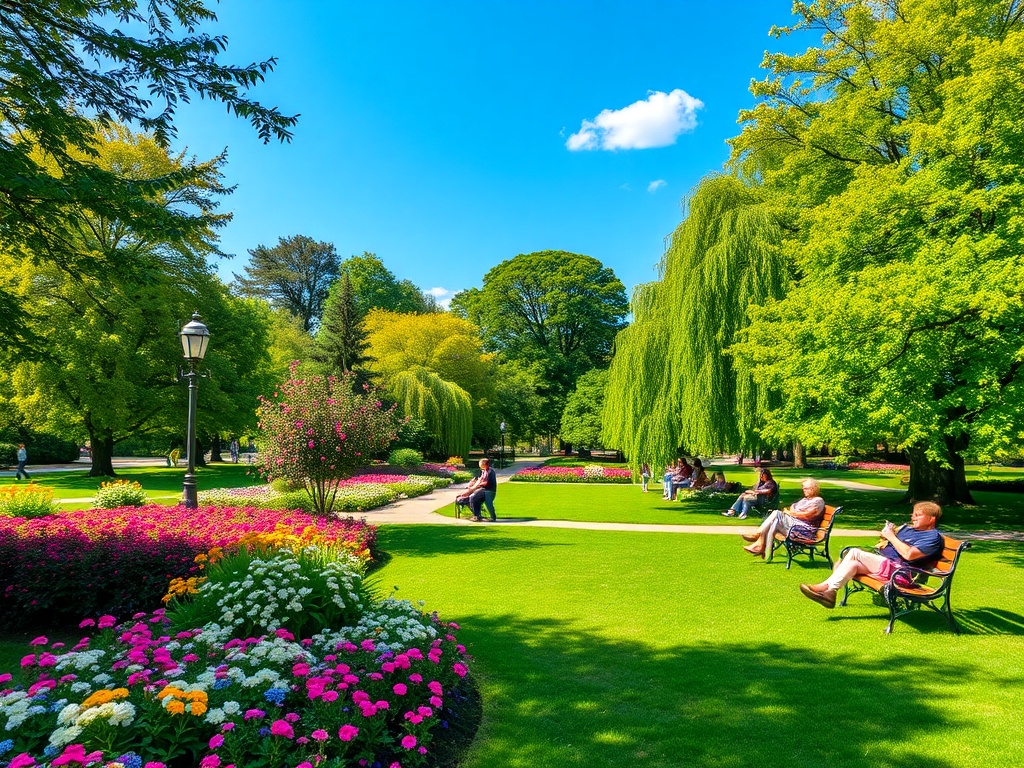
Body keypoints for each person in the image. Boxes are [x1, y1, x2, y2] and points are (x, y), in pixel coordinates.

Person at [800, 501, 944, 609]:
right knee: (852, 563)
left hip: (900, 572)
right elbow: (891, 545)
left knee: (854, 553)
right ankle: (830, 593)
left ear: (931, 519)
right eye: (913, 514)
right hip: (885, 564)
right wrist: (886, 536)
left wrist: (892, 537)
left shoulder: (932, 537)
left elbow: (909, 555)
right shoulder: (909, 529)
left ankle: (825, 587)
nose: (913, 518)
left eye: (918, 515)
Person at [739, 478, 825, 559]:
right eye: (803, 488)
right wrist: (792, 512)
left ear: (813, 489)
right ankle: (761, 546)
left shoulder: (818, 501)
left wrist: (791, 513)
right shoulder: (805, 500)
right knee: (774, 522)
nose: (803, 490)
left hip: (804, 530)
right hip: (795, 525)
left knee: (776, 513)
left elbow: (808, 515)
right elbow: (793, 506)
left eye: (806, 488)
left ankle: (758, 535)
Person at [468, 458, 498, 522]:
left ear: (484, 463)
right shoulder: (485, 471)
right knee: (474, 498)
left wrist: (476, 487)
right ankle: (477, 515)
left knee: (488, 503)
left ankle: (493, 517)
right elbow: (481, 480)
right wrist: (474, 485)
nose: (479, 464)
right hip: (485, 490)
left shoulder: (489, 471)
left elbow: (485, 483)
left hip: (489, 490)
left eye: (480, 463)